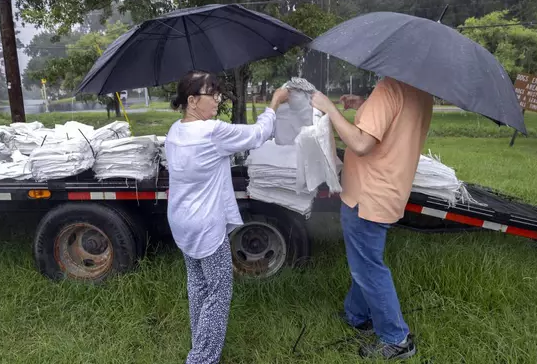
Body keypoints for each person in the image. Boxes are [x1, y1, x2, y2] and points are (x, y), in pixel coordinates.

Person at [165, 70, 288, 364]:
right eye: (213, 95)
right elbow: (258, 135)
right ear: (192, 100)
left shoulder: (175, 130)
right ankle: (202, 359)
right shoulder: (212, 132)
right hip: (206, 225)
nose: (218, 100)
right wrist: (274, 103)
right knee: (219, 293)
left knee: (198, 286)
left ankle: (200, 343)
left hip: (181, 220)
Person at [311, 77, 433, 360]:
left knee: (368, 267)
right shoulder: (421, 90)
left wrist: (329, 108)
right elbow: (396, 125)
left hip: (367, 194)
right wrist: (365, 105)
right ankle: (357, 315)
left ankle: (396, 338)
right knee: (363, 259)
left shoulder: (389, 87)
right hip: (390, 189)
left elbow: (361, 143)